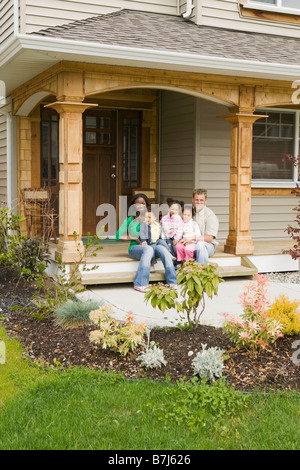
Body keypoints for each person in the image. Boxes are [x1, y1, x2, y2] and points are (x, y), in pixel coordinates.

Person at [116, 194, 177, 293]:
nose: (140, 206)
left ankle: (172, 281)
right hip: (136, 248)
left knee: (162, 249)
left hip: (152, 247)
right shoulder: (130, 220)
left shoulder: (151, 217)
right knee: (148, 249)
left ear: (146, 205)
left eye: (143, 203)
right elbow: (117, 236)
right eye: (137, 204)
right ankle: (140, 283)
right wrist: (134, 238)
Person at [192, 188, 219, 264]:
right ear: (192, 200)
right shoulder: (188, 212)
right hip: (191, 243)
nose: (199, 202)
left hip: (207, 245)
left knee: (200, 245)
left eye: (201, 200)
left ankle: (201, 271)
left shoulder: (210, 215)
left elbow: (209, 238)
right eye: (196, 200)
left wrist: (192, 238)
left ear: (205, 200)